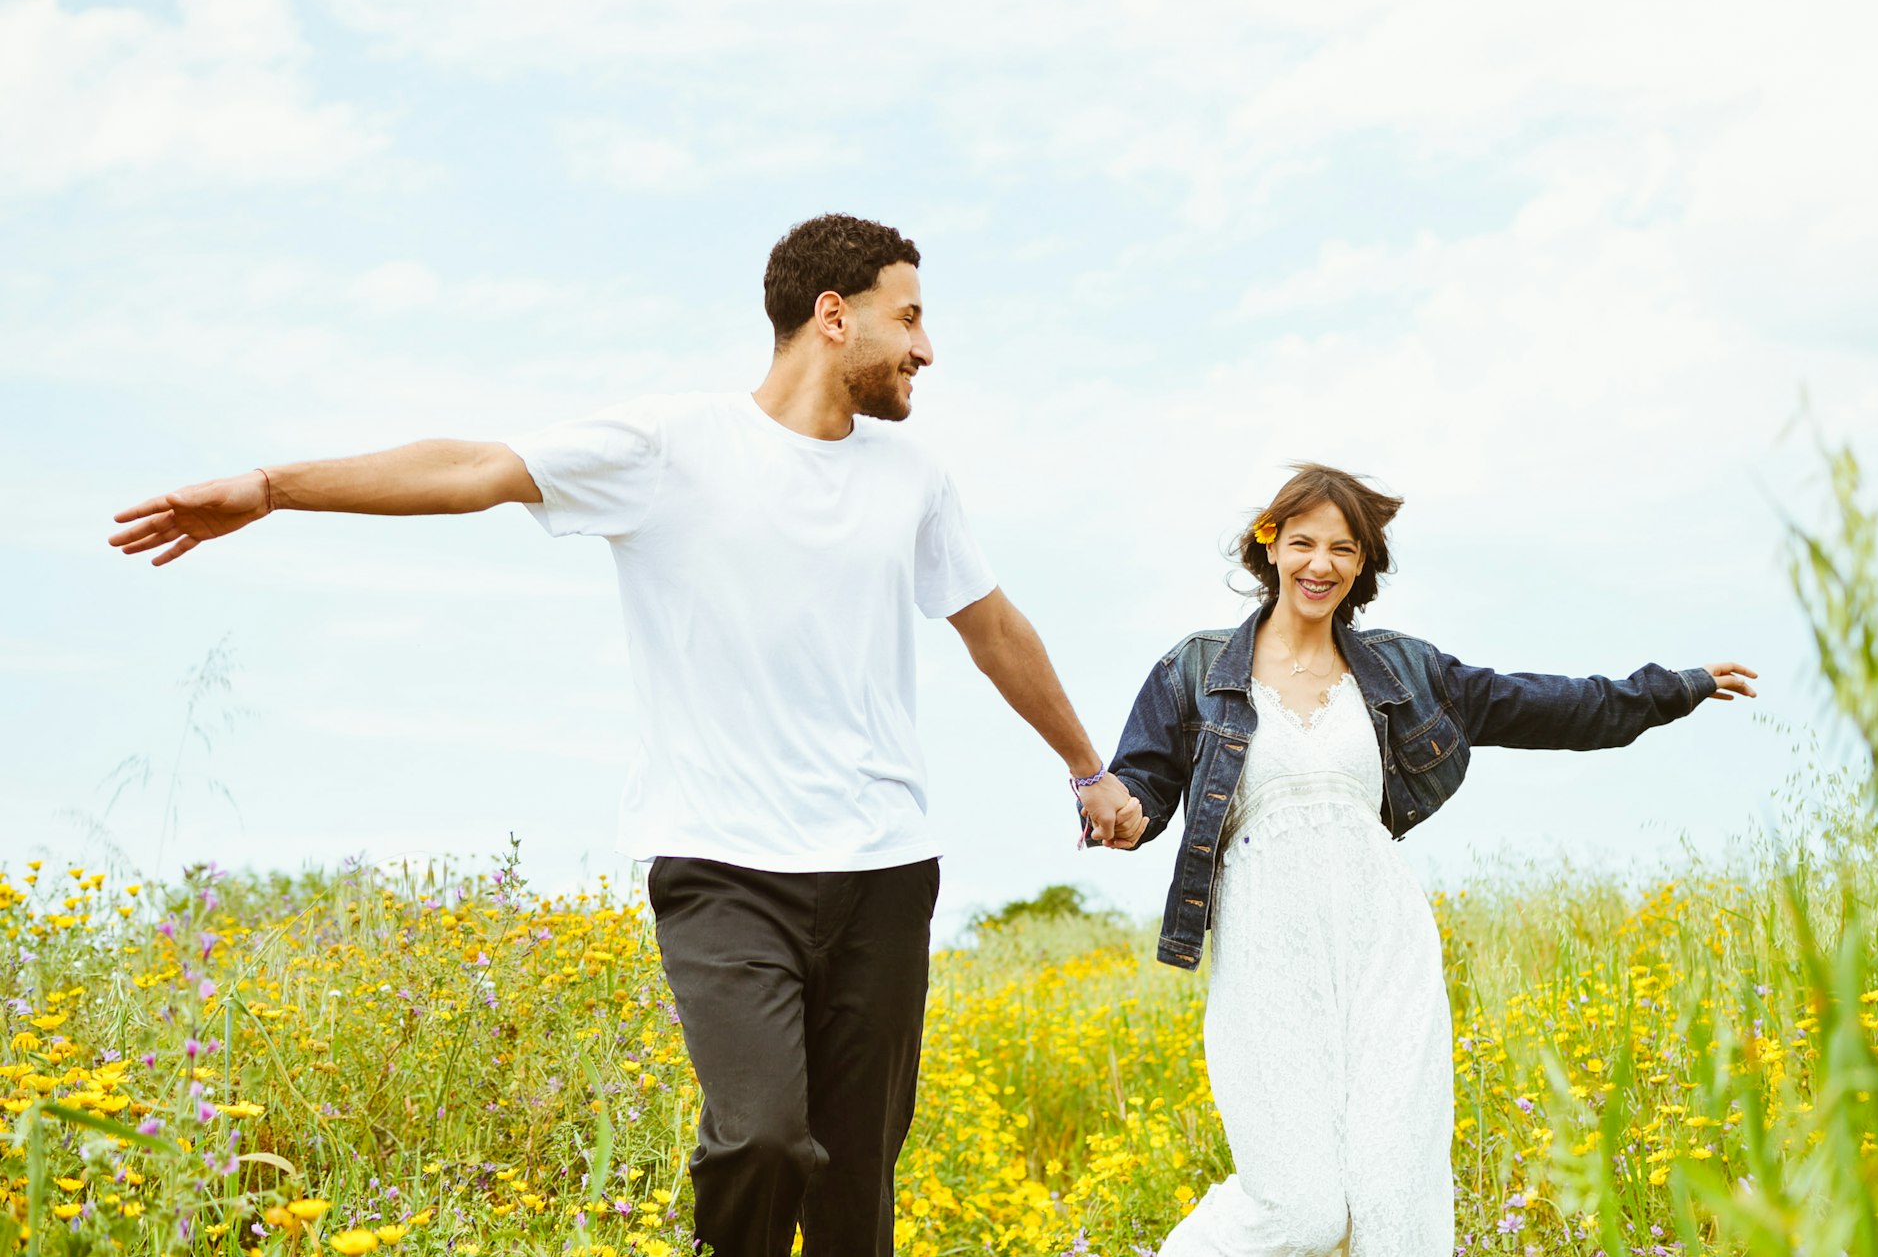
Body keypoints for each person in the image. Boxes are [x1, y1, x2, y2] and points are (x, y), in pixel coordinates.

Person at [109, 213, 1145, 1256]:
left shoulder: (912, 479)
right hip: (725, 871)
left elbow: (993, 626)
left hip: (883, 871)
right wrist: (273, 489)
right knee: (764, 1143)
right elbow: (474, 468)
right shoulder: (668, 447)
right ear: (833, 317)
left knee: (853, 1187)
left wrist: (1086, 768)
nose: (927, 349)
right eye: (909, 318)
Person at [1093, 463, 1756, 1256]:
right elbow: (1141, 785)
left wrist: (1669, 689)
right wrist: (1125, 813)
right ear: (1268, 545)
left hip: (1385, 945)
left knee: (1396, 1205)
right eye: (1302, 542)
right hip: (1268, 951)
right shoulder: (1195, 670)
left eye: (1343, 548)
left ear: (1362, 562)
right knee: (1299, 1209)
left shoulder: (1403, 671)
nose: (1321, 564)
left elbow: (1547, 704)